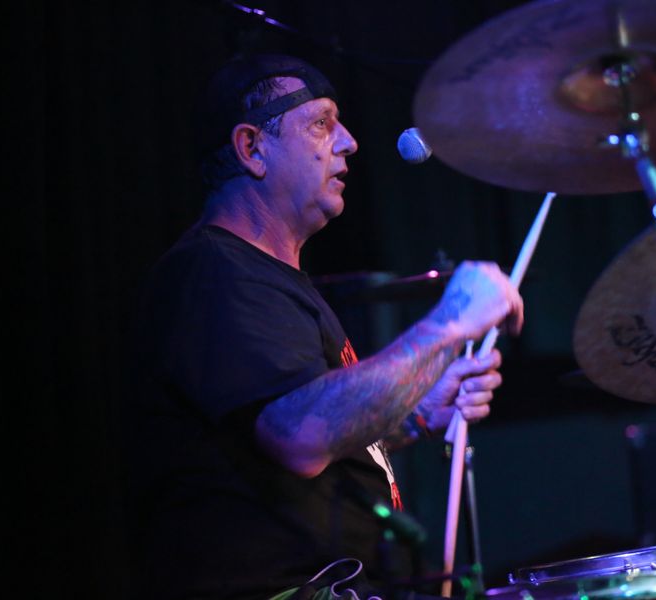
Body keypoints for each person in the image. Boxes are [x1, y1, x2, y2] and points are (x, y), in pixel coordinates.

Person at [127, 54, 523, 599]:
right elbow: (300, 437)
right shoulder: (213, 273)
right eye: (320, 123)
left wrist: (415, 415)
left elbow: (298, 431)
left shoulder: (272, 280)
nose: (349, 142)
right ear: (251, 148)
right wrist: (449, 322)